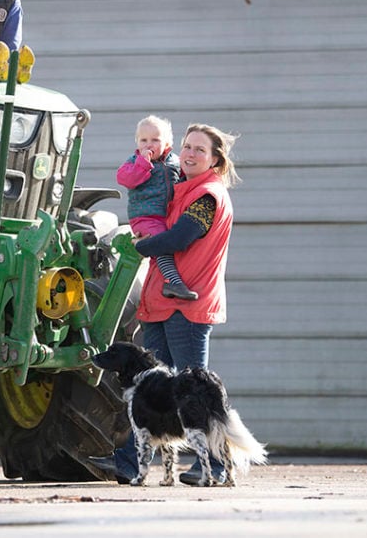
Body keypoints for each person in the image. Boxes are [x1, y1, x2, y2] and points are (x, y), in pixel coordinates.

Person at [90, 123, 240, 486]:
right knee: (148, 393)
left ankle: (218, 465)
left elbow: (179, 238)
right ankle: (129, 462)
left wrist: (133, 245)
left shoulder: (207, 195)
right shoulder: (180, 190)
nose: (189, 154)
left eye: (199, 150)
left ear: (216, 159)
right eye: (187, 147)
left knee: (194, 394)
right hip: (160, 304)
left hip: (187, 307)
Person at [116, 115, 197, 301]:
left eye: (155, 140)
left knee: (175, 247)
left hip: (167, 216)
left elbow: (186, 178)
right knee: (162, 246)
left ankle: (157, 290)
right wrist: (143, 164)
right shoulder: (135, 161)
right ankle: (173, 282)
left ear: (168, 142)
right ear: (137, 142)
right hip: (145, 217)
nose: (148, 145)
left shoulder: (175, 162)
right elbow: (126, 179)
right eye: (143, 140)